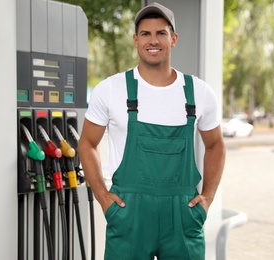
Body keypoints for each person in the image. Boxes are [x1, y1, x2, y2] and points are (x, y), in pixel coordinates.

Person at [78, 2, 226, 259]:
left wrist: (208, 198)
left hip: (183, 216)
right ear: (136, 40)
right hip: (129, 216)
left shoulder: (199, 92)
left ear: (174, 39)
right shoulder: (111, 89)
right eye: (145, 33)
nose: (153, 40)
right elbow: (87, 143)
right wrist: (103, 197)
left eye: (161, 33)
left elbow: (215, 145)